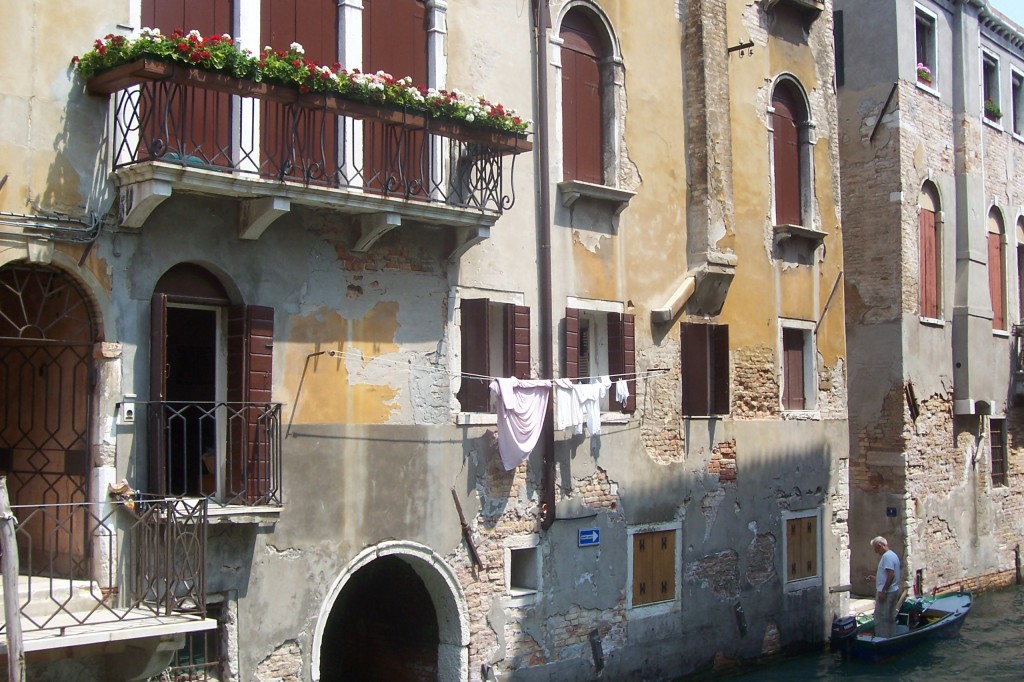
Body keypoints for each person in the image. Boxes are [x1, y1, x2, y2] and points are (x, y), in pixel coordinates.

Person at [867, 536, 901, 638]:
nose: (875, 552)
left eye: (876, 549)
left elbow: (891, 575)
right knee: (890, 617)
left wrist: (883, 591)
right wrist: (876, 578)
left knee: (881, 617)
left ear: (880, 546)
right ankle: (891, 637)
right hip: (893, 590)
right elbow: (888, 575)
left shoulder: (886, 557)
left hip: (887, 592)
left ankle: (881, 638)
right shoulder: (893, 555)